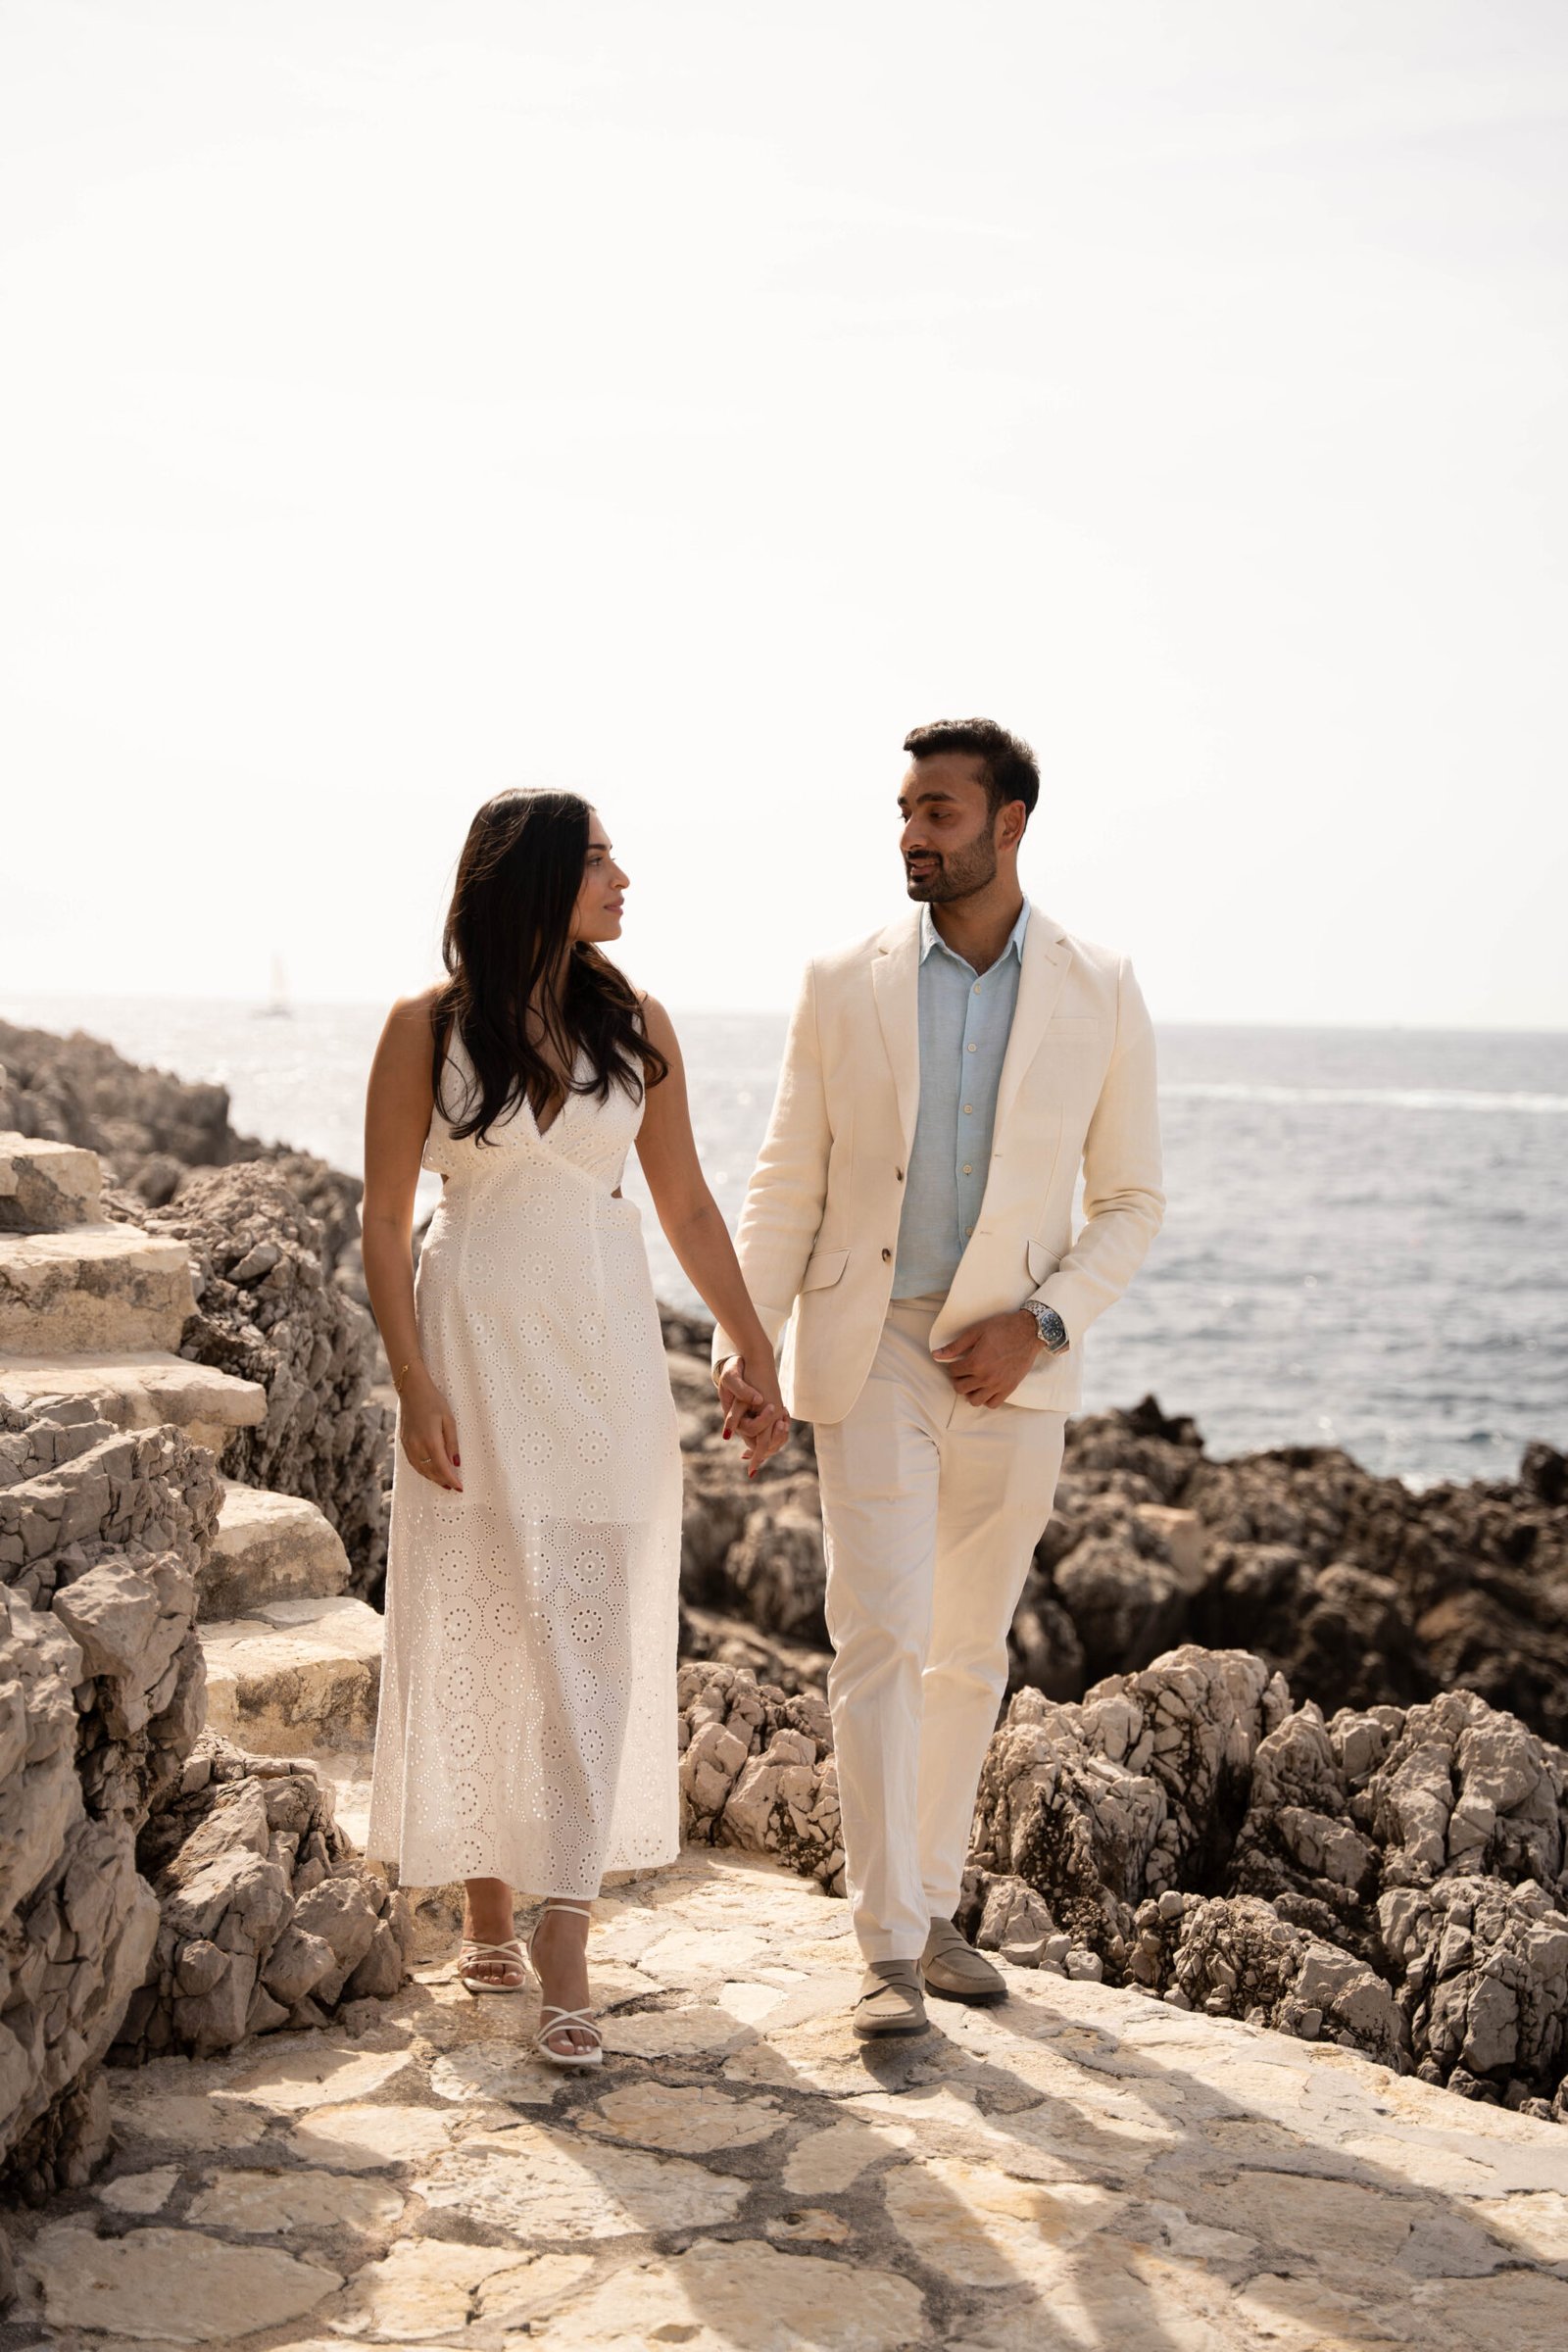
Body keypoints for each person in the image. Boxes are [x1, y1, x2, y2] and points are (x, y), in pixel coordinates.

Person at [714, 719, 1163, 2037]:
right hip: (873, 1351)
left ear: (1009, 823)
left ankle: (931, 1902)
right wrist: (748, 1342)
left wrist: (1043, 1323)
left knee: (967, 1655)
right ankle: (885, 1947)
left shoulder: (1102, 987)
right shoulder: (840, 980)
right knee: (881, 1638)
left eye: (940, 812)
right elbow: (788, 1177)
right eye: (905, 811)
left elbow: (1130, 1202)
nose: (913, 833)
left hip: (1013, 1367)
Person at [362, 789, 789, 2066]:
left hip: (605, 1362)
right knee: (485, 1614)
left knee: (591, 1635)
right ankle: (487, 1902)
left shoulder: (635, 1024)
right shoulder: (425, 1028)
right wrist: (412, 1381)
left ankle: (565, 1929)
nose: (622, 878)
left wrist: (752, 1342)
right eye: (600, 858)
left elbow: (689, 1205)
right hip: (473, 1353)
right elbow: (382, 1220)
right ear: (536, 877)